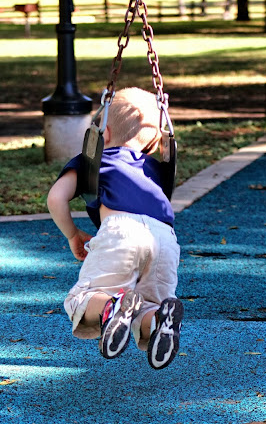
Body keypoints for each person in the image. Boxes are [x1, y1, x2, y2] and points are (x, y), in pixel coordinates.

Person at [47, 87, 183, 370]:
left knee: (81, 299)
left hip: (122, 231)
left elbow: (56, 198)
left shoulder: (95, 161)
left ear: (103, 134)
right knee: (149, 304)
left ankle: (112, 307)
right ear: (154, 142)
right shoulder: (153, 169)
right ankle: (159, 320)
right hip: (166, 239)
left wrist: (73, 234)